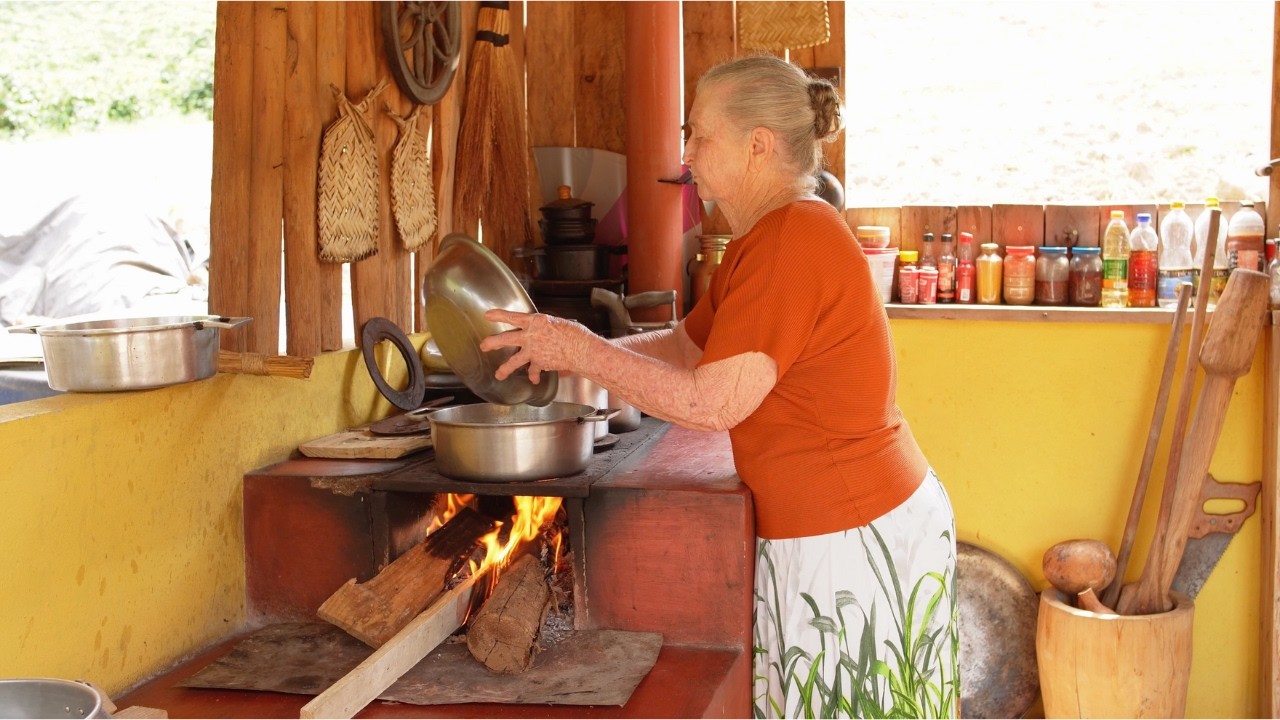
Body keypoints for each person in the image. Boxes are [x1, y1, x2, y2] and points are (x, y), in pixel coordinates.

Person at [480, 55, 958, 719]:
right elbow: (685, 348)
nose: (687, 154)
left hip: (850, 533)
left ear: (758, 144)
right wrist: (569, 360)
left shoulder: (793, 239)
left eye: (700, 135)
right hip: (845, 522)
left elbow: (712, 402)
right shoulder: (766, 238)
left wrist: (579, 346)